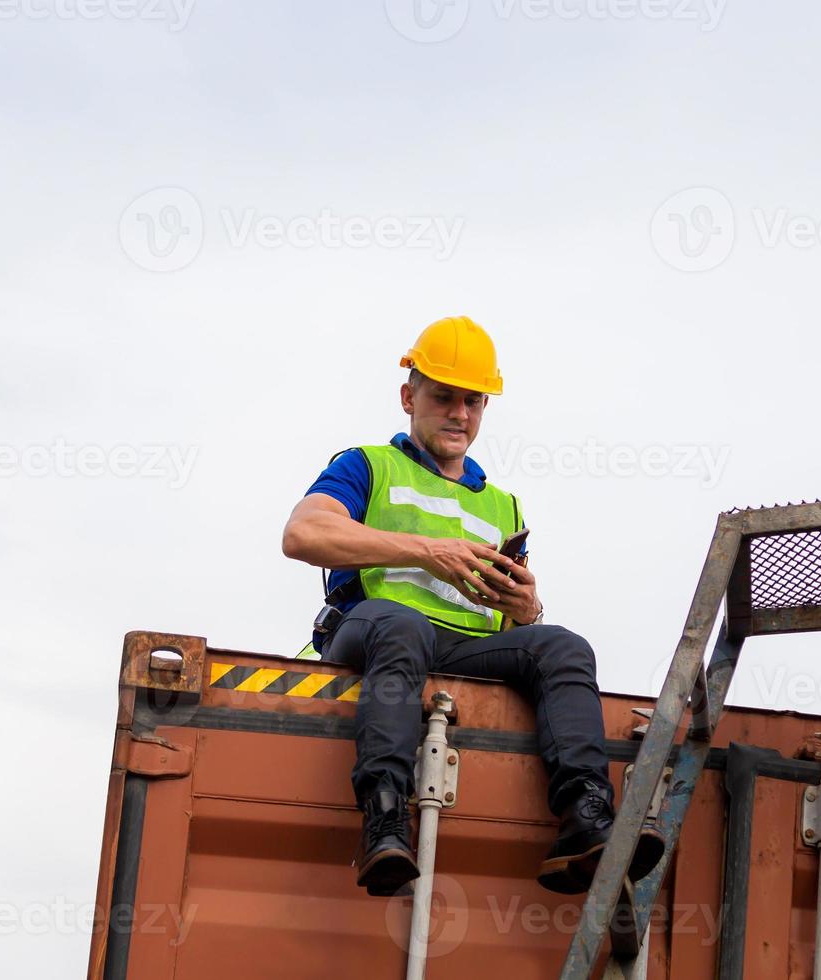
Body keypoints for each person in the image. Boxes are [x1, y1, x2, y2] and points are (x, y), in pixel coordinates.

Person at [279, 316, 664, 897]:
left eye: (473, 401)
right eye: (443, 397)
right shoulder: (367, 465)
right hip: (374, 629)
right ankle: (385, 818)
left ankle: (586, 818)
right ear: (409, 396)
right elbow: (302, 534)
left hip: (464, 649)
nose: (459, 414)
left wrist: (526, 608)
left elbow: (510, 619)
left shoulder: (506, 505)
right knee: (402, 624)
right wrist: (426, 552)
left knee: (563, 645)